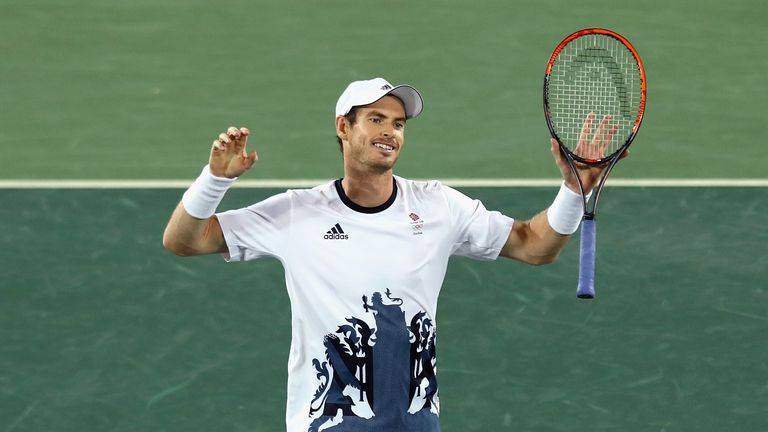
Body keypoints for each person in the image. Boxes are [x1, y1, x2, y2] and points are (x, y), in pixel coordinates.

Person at [162, 77, 616, 431]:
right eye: (376, 119)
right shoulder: (297, 213)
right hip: (328, 424)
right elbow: (184, 240)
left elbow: (534, 246)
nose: (390, 133)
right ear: (343, 127)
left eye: (398, 124)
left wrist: (574, 190)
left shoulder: (438, 206)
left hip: (415, 423)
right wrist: (215, 181)